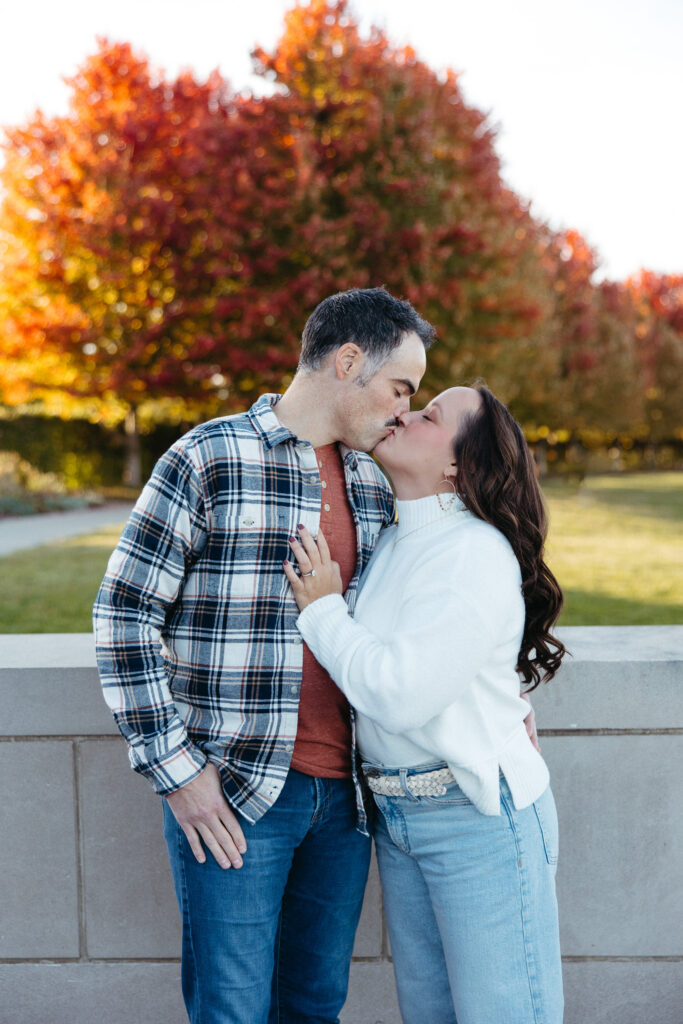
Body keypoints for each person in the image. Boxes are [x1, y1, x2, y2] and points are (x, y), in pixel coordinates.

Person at [92, 286, 435, 1024]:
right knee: (232, 1011)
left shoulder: (375, 485)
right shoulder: (208, 456)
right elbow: (123, 614)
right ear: (347, 361)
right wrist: (178, 774)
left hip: (345, 801)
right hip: (236, 796)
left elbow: (425, 615)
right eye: (399, 386)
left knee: (313, 1007)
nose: (405, 409)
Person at [284, 383, 566, 1024]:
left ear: (458, 465)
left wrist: (323, 610)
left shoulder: (471, 552)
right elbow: (450, 655)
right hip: (398, 819)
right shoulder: (391, 543)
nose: (405, 413)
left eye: (430, 414)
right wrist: (501, 696)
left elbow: (399, 693)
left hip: (477, 819)